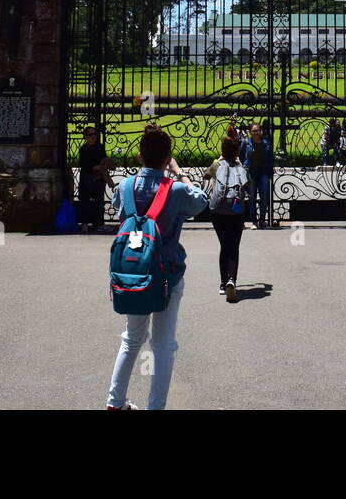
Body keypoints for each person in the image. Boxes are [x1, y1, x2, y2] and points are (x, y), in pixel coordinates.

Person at [106, 125, 207, 411]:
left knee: (132, 338)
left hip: (132, 274)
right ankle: (155, 406)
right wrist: (180, 173)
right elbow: (201, 201)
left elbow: (118, 206)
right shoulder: (174, 190)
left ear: (140, 156)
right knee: (163, 345)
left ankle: (115, 401)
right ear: (167, 158)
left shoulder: (126, 187)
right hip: (167, 274)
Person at [206, 136, 249, 301]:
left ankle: (223, 283)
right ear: (236, 152)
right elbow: (249, 185)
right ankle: (232, 279)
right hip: (236, 210)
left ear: (223, 151)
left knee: (224, 245)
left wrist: (218, 160)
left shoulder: (217, 165)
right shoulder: (241, 168)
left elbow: (205, 176)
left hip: (217, 210)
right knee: (234, 246)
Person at [242, 122, 275, 228]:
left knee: (264, 197)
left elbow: (270, 158)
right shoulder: (246, 143)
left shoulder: (266, 143)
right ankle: (254, 221)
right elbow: (241, 156)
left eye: (257, 131)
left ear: (261, 131)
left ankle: (262, 220)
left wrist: (271, 168)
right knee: (252, 198)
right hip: (251, 172)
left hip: (263, 172)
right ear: (250, 132)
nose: (256, 133)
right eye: (253, 131)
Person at [77, 126, 109, 232]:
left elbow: (104, 159)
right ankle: (85, 223)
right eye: (90, 135)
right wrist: (94, 167)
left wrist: (103, 166)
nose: (93, 137)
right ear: (85, 137)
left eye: (95, 134)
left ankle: (99, 224)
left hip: (98, 177)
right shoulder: (83, 149)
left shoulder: (100, 147)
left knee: (99, 202)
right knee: (85, 200)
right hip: (87, 176)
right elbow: (83, 164)